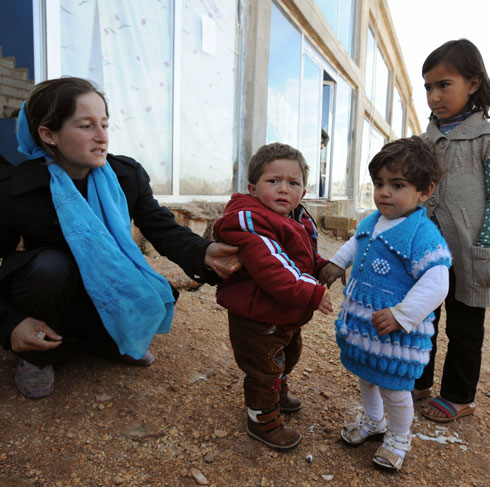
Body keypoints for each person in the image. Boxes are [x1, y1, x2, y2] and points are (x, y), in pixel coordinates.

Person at [0, 77, 240, 399]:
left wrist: (205, 251)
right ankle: (37, 356)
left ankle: (112, 339)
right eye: (86, 126)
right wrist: (11, 322)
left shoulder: (125, 176)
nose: (102, 137)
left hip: (102, 295)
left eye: (104, 124)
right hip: (55, 294)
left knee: (138, 280)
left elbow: (161, 227)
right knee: (49, 267)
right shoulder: (18, 190)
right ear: (48, 134)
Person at [321, 137, 452, 471]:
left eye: (397, 185)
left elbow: (437, 282)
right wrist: (337, 263)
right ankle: (374, 421)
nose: (384, 192)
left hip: (396, 335)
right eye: (379, 183)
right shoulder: (372, 220)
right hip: (365, 328)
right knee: (367, 377)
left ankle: (398, 436)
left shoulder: (422, 234)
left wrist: (401, 314)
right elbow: (356, 243)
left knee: (395, 388)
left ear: (425, 191)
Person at [213, 142, 333, 450]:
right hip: (257, 318)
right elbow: (274, 269)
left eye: (292, 183)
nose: (283, 189)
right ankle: (262, 419)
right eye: (273, 181)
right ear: (253, 188)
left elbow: (300, 257)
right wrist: (313, 292)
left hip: (281, 314)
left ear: (303, 192)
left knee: (288, 355)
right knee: (264, 368)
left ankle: (277, 391)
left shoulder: (295, 217)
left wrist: (323, 267)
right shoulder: (252, 222)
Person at [413, 39, 490, 423]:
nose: (434, 96)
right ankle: (417, 379)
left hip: (471, 253)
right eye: (428, 87)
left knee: (464, 328)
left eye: (445, 85)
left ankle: (459, 396)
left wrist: (487, 247)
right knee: (423, 318)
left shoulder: (486, 138)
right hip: (425, 253)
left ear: (473, 84)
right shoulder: (423, 142)